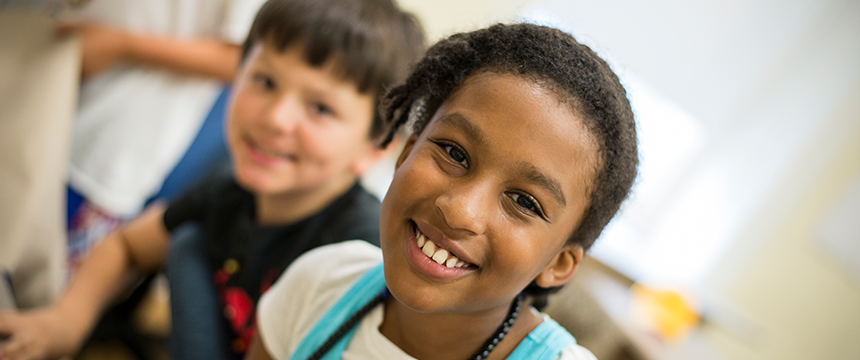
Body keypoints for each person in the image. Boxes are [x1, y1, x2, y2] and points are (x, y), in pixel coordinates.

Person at [0, 0, 426, 359]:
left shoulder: (358, 249)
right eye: (264, 81)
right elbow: (126, 245)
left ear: (375, 147)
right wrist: (62, 323)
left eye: (320, 109)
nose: (275, 118)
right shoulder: (228, 190)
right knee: (188, 242)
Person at [247, 23, 639, 360]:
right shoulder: (321, 284)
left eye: (524, 201)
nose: (460, 211)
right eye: (454, 153)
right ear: (406, 153)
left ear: (559, 263)